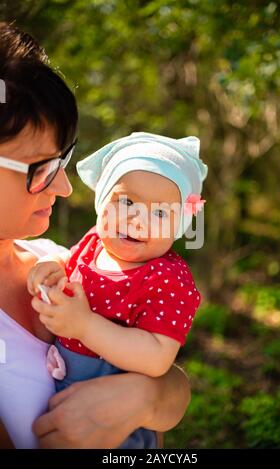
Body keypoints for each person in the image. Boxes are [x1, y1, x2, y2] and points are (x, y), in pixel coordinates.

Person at [0, 22, 191, 449]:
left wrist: (147, 396)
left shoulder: (58, 260)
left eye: (62, 163)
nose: (65, 188)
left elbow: (173, 383)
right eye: (40, 169)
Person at [28, 132, 208, 448]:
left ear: (181, 224)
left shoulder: (167, 278)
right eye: (126, 201)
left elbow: (156, 359)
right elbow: (71, 266)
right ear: (102, 201)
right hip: (61, 397)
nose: (137, 220)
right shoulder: (93, 243)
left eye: (161, 212)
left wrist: (85, 326)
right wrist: (55, 269)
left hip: (115, 429)